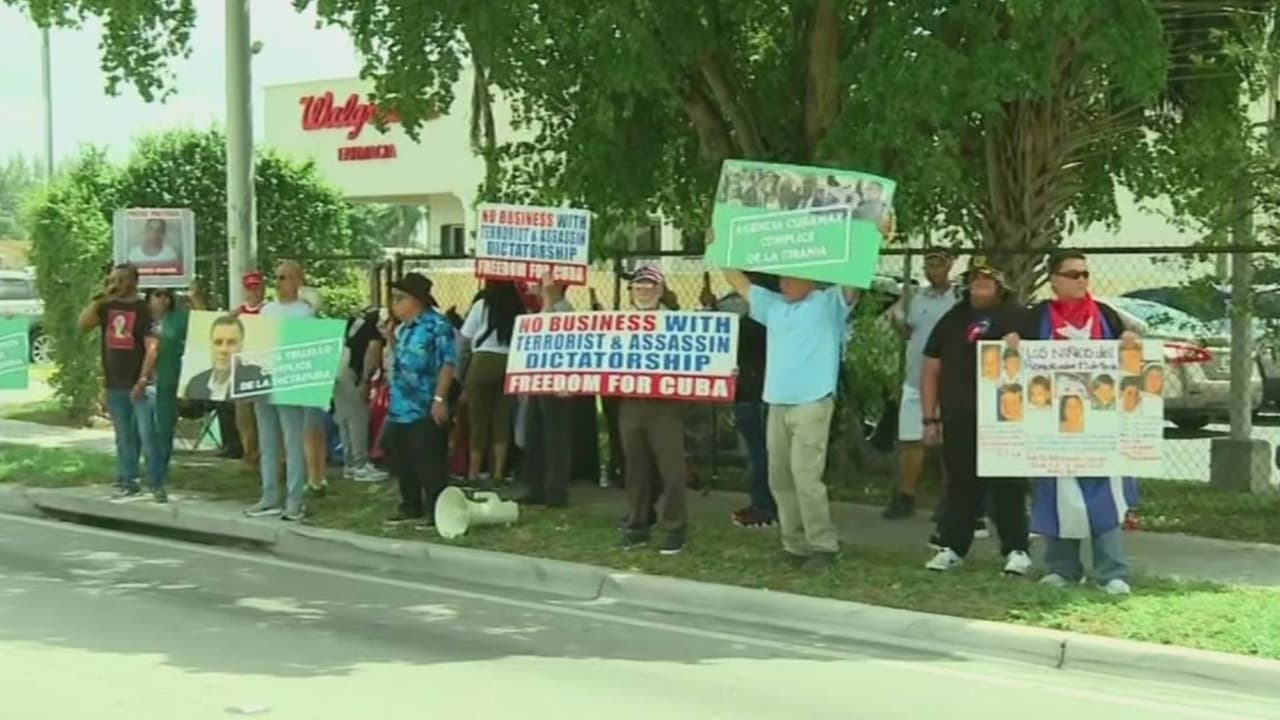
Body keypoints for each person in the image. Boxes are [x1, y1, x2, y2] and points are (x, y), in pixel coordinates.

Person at [714, 236, 855, 569]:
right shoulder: (773, 305)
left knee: (806, 477)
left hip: (812, 401)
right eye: (781, 276)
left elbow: (853, 278)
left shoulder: (829, 302)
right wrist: (720, 245)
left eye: (791, 276)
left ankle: (823, 545)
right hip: (776, 402)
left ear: (810, 278)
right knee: (780, 478)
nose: (783, 282)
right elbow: (738, 280)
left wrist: (870, 234)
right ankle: (794, 545)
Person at [1005, 250, 1140, 595]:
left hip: (1101, 425)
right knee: (1057, 494)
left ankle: (1111, 573)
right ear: (1054, 280)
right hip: (1052, 424)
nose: (1081, 280)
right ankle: (1063, 569)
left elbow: (1130, 362)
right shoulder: (1033, 318)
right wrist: (1011, 346)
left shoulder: (1107, 315)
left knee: (1104, 497)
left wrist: (1129, 345)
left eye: (1085, 274)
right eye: (1073, 274)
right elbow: (1010, 363)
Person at [921, 262, 1033, 575]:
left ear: (1001, 286)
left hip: (1004, 419)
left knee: (1008, 486)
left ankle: (1016, 549)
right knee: (960, 485)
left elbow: (1041, 363)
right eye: (975, 280)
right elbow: (931, 367)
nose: (981, 285)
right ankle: (953, 547)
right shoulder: (952, 318)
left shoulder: (1018, 316)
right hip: (959, 417)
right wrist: (930, 418)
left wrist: (1019, 348)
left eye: (989, 280)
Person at [616, 265, 691, 554]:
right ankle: (638, 524)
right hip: (631, 403)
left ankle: (675, 529)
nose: (643, 291)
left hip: (665, 406)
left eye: (650, 286)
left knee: (672, 471)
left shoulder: (675, 323)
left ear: (660, 291)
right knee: (635, 470)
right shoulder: (618, 323)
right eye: (638, 286)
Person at [883, 247, 957, 520]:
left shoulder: (957, 298)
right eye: (928, 264)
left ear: (950, 264)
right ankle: (905, 496)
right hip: (915, 380)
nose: (932, 269)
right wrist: (896, 322)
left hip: (948, 383)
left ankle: (952, 501)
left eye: (938, 263)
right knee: (910, 441)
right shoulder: (916, 297)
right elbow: (908, 332)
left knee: (949, 445)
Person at [77, 264, 160, 502]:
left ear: (133, 282)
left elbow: (151, 346)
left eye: (120, 280)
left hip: (140, 382)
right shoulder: (106, 306)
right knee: (123, 434)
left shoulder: (144, 309)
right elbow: (83, 325)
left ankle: (155, 480)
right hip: (115, 381)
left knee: (145, 434)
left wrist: (144, 379)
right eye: (111, 279)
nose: (115, 284)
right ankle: (127, 479)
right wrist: (100, 298)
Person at [701, 271, 774, 529]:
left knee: (759, 453)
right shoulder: (742, 302)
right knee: (756, 452)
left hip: (761, 391)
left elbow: (745, 337)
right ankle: (764, 503)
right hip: (746, 390)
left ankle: (765, 506)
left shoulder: (768, 305)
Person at [244, 261, 315, 521]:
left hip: (290, 382)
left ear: (298, 281)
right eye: (277, 277)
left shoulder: (304, 312)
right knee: (267, 440)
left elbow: (309, 348)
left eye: (285, 277)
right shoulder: (267, 310)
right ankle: (269, 495)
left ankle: (295, 498)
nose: (279, 282)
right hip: (265, 382)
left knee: (292, 441)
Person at [385, 273, 456, 524]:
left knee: (429, 460)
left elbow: (448, 363)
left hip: (424, 404)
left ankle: (435, 509)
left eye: (400, 299)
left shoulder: (437, 326)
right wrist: (390, 338)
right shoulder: (404, 329)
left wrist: (440, 398)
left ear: (417, 300)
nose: (395, 304)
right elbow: (403, 361)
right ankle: (409, 505)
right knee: (404, 460)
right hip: (400, 405)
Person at [518, 271, 576, 507]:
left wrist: (549, 300)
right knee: (535, 435)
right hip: (538, 380)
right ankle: (536, 486)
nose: (534, 285)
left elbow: (545, 330)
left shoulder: (563, 309)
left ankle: (556, 491)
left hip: (556, 383)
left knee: (555, 438)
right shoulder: (546, 307)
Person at [459, 280, 524, 484]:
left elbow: (465, 337)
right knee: (501, 420)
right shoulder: (519, 307)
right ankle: (498, 473)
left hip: (482, 362)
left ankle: (474, 472)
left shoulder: (482, 305)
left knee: (478, 420)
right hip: (509, 363)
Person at [146, 282, 206, 502]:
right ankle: (129, 477)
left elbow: (203, 323)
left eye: (166, 295)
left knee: (163, 432)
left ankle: (157, 480)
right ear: (149, 298)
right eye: (157, 294)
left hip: (168, 383)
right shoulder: (140, 318)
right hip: (137, 383)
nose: (163, 299)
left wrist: (195, 298)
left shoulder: (178, 318)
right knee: (141, 432)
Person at [334, 306, 387, 482]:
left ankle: (349, 464)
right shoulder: (376, 327)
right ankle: (360, 465)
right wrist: (365, 379)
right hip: (352, 372)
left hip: (337, 367)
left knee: (345, 418)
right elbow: (372, 351)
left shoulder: (357, 321)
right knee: (358, 417)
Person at [183, 315, 267, 400]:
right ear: (211, 346)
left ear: (241, 346)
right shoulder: (195, 384)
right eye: (218, 342)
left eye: (231, 343)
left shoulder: (258, 380)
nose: (224, 350)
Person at [231, 271, 267, 467]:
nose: (254, 291)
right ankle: (249, 456)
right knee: (243, 418)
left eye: (257, 286)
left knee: (263, 416)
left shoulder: (270, 310)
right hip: (242, 370)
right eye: (250, 287)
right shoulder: (236, 313)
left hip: (263, 369)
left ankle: (266, 456)